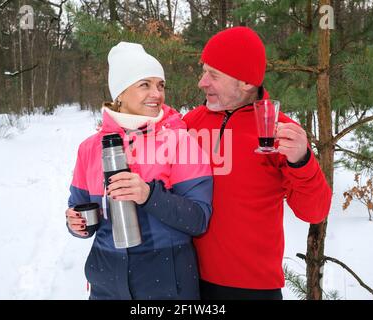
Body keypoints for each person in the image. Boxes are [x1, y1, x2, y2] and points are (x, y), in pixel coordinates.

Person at [183, 26, 332, 300]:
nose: (202, 82)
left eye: (213, 75)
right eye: (204, 71)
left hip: (251, 288)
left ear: (246, 82)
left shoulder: (280, 132)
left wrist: (302, 161)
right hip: (188, 280)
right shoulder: (189, 124)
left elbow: (315, 212)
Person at [66, 42, 213, 300]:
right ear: (120, 93)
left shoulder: (180, 141)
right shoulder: (89, 148)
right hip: (106, 282)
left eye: (160, 85)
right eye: (145, 84)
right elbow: (79, 208)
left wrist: (149, 195)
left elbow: (198, 219)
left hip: (167, 283)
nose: (156, 93)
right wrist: (75, 223)